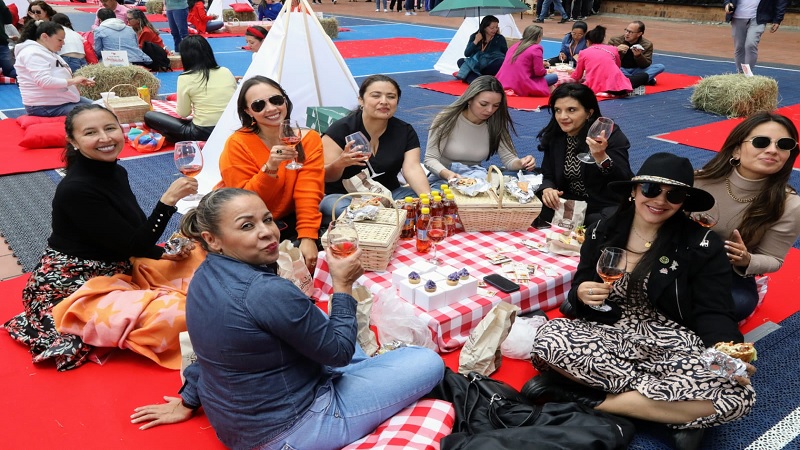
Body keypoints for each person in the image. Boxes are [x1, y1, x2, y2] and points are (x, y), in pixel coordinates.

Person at [130, 188, 442, 449]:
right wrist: (343, 286)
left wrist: (188, 399)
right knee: (426, 361)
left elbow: (213, 354)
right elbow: (339, 352)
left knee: (324, 328)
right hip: (291, 430)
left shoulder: (204, 275)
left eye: (266, 219)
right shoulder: (267, 291)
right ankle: (365, 380)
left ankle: (366, 375)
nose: (266, 231)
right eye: (247, 226)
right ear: (212, 239)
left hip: (235, 424)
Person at [524, 153, 756, 450]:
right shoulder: (602, 229)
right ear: (634, 191)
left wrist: (729, 352)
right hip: (608, 331)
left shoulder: (701, 243)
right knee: (549, 337)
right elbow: (578, 289)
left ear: (684, 202)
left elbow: (715, 311)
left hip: (672, 340)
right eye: (650, 189)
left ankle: (588, 398)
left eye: (674, 194)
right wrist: (581, 293)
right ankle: (671, 412)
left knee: (738, 394)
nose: (660, 200)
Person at [2, 104, 198, 371]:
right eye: (91, 132)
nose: (105, 138)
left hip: (119, 264)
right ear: (73, 141)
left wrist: (162, 253)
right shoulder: (76, 189)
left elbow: (131, 234)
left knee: (202, 257)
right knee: (178, 315)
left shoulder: (116, 171)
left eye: (109, 128)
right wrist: (167, 202)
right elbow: (134, 243)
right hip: (72, 287)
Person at [694, 112, 800, 321]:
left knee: (737, 304)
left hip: (727, 273)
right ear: (736, 149)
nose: (772, 150)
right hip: (679, 259)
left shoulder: (790, 205)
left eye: (784, 144)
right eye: (761, 142)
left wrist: (746, 259)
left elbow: (774, 259)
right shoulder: (700, 180)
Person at [218, 76, 323, 272]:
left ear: (285, 100)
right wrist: (270, 167)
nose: (271, 108)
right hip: (248, 221)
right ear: (248, 112)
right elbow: (243, 205)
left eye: (276, 100)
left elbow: (308, 190)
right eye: (259, 105)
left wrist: (308, 236)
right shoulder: (238, 144)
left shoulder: (308, 139)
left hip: (286, 219)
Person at [320, 74, 431, 221]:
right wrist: (340, 163)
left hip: (389, 194)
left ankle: (383, 220)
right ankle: (389, 219)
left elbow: (412, 168)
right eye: (376, 96)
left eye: (391, 97)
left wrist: (428, 199)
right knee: (332, 205)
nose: (384, 102)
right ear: (361, 100)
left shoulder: (404, 130)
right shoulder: (340, 130)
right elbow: (325, 175)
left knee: (426, 196)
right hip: (347, 197)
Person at [535, 82, 633, 226]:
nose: (563, 117)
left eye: (571, 110)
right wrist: (548, 189)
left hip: (602, 204)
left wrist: (602, 158)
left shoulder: (609, 136)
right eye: (557, 110)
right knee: (529, 206)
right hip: (568, 203)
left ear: (589, 113)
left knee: (605, 221)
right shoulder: (556, 135)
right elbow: (547, 173)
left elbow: (624, 180)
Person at [424, 75, 535, 186]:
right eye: (483, 104)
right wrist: (448, 174)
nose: (490, 110)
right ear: (470, 99)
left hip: (476, 177)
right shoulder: (446, 119)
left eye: (496, 105)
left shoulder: (495, 123)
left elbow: (509, 159)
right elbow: (430, 159)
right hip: (443, 176)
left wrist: (521, 163)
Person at [144, 35, 236, 143]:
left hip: (203, 131)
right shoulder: (226, 71)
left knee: (150, 116)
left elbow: (183, 113)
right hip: (231, 127)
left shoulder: (185, 77)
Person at [14, 21, 95, 117]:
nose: (63, 43)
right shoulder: (32, 53)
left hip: (57, 101)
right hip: (45, 106)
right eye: (60, 40)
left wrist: (75, 82)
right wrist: (73, 81)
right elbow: (45, 81)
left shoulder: (45, 51)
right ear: (44, 37)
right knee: (96, 112)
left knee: (100, 106)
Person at [570, 25, 648, 96]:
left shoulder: (583, 52)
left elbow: (577, 76)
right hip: (619, 88)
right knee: (644, 76)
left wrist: (571, 74)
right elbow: (618, 67)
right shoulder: (613, 49)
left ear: (587, 41)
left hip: (596, 87)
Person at [723, 0, 789, 74]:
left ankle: (747, 74)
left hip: (758, 19)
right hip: (738, 18)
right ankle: (741, 74)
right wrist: (727, 3)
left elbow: (781, 1)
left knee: (750, 44)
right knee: (739, 47)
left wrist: (777, 20)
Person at [495, 25, 558, 98]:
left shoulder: (515, 46)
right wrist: (546, 71)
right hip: (522, 84)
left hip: (503, 81)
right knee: (554, 77)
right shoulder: (536, 48)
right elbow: (539, 72)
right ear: (538, 37)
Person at [607, 20, 665, 85]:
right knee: (612, 68)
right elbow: (606, 58)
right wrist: (615, 50)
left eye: (630, 32)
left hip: (637, 70)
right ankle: (641, 79)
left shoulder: (647, 44)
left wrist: (638, 56)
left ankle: (630, 79)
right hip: (621, 68)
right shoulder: (615, 40)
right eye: (626, 30)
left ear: (639, 34)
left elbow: (646, 65)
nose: (627, 34)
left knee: (660, 67)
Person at [454, 15, 507, 84]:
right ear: (484, 27)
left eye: (496, 27)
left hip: (489, 66)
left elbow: (506, 54)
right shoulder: (475, 36)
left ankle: (473, 79)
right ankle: (478, 80)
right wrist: (475, 41)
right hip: (476, 65)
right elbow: (467, 54)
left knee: (501, 61)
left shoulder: (499, 38)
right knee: (461, 61)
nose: (495, 30)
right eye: (492, 28)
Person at [1, 0, 18, 78]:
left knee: (10, 71)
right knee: (10, 71)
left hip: (2, 42)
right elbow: (8, 20)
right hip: (2, 42)